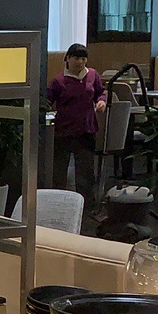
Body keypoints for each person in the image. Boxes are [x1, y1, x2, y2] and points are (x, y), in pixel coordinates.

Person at [45, 44, 107, 203]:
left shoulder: (92, 75)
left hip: (86, 130)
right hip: (64, 131)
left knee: (86, 171)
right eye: (76, 58)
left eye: (83, 58)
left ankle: (87, 204)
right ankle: (58, 202)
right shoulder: (59, 80)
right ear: (67, 58)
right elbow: (46, 101)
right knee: (60, 170)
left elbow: (101, 92)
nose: (80, 62)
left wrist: (101, 101)